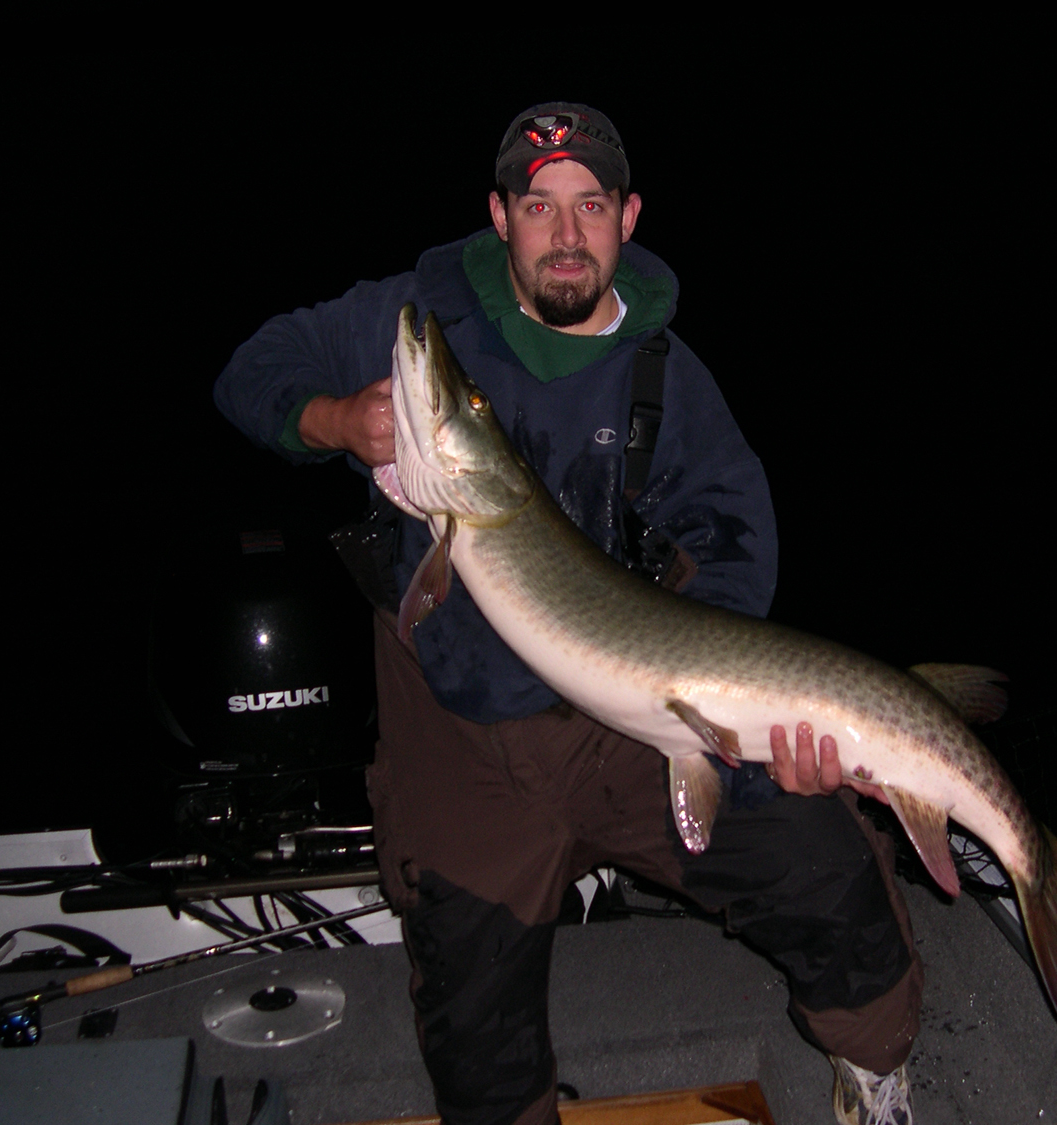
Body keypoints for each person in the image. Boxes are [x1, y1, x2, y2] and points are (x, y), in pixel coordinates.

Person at [215, 102, 921, 1125]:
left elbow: (734, 550)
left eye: (590, 205)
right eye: (539, 207)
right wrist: (334, 420)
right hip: (463, 743)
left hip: (637, 728)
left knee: (823, 861)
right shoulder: (411, 317)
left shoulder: (666, 377)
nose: (566, 233)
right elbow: (249, 373)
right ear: (500, 218)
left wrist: (744, 723)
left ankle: (877, 1065)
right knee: (479, 1046)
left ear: (628, 217)